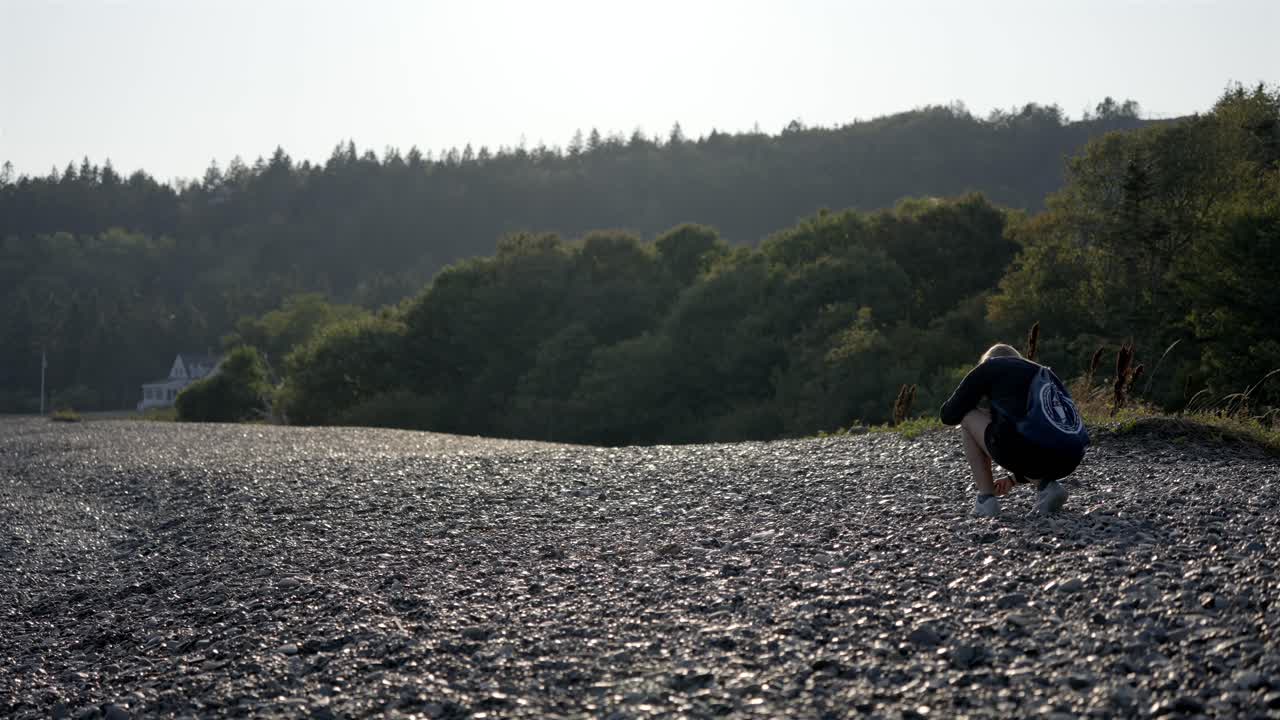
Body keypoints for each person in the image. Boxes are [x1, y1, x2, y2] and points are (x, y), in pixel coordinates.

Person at [940, 343, 1087, 517]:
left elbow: (948, 415)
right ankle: (1047, 486)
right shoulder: (1043, 373)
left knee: (967, 415)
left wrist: (977, 393)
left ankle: (986, 500)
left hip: (1033, 450)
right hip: (1072, 456)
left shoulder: (990, 367)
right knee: (1018, 433)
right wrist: (1013, 479)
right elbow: (1041, 431)